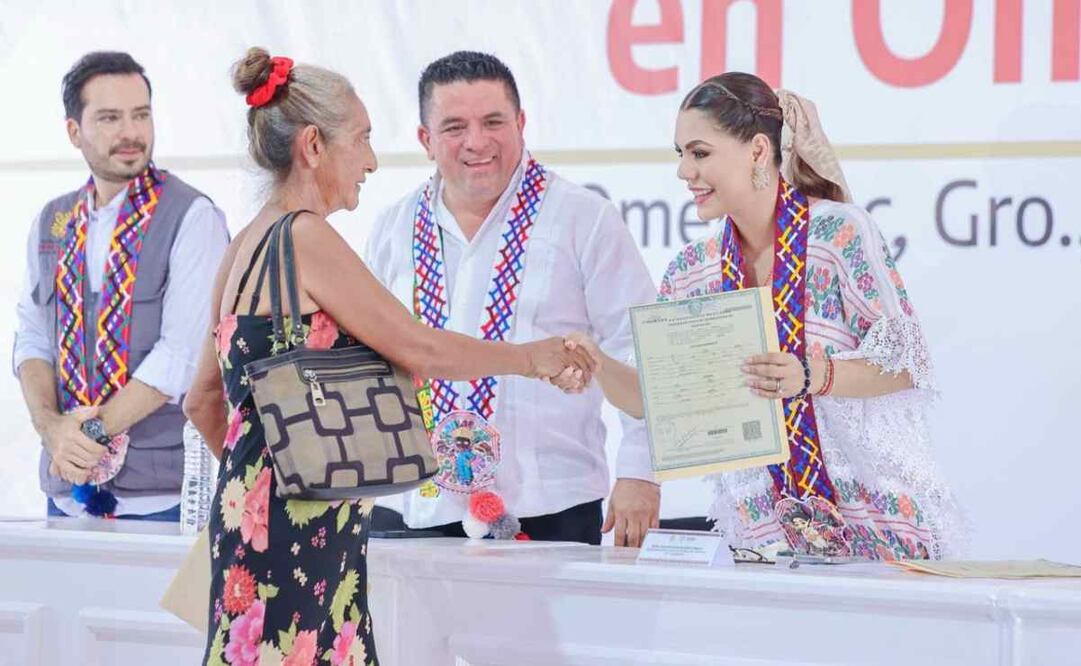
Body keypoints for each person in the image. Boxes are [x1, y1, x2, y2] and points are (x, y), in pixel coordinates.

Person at [183, 47, 594, 665]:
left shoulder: (244, 243)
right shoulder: (305, 237)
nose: (372, 161)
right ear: (314, 146)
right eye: (364, 140)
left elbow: (201, 401)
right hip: (305, 532)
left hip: (248, 520)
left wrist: (262, 484)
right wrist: (531, 358)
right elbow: (418, 346)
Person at [566, 72, 964, 560]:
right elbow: (657, 403)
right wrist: (598, 364)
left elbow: (907, 362)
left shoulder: (839, 234)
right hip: (764, 541)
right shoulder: (692, 272)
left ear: (757, 151)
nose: (684, 172)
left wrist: (811, 374)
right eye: (680, 154)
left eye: (700, 152)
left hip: (875, 528)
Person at [365, 51, 660, 547]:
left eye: (493, 121)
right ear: (425, 139)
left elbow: (642, 347)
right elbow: (369, 355)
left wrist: (640, 470)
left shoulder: (583, 217)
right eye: (455, 126)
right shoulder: (393, 227)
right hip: (412, 502)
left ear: (522, 124)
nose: (477, 142)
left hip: (550, 506)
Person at [14, 51, 228, 520]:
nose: (131, 132)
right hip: (66, 495)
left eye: (141, 115)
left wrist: (86, 438)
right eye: (110, 118)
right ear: (74, 131)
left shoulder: (192, 217)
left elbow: (181, 357)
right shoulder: (53, 221)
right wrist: (52, 430)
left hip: (165, 498)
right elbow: (31, 339)